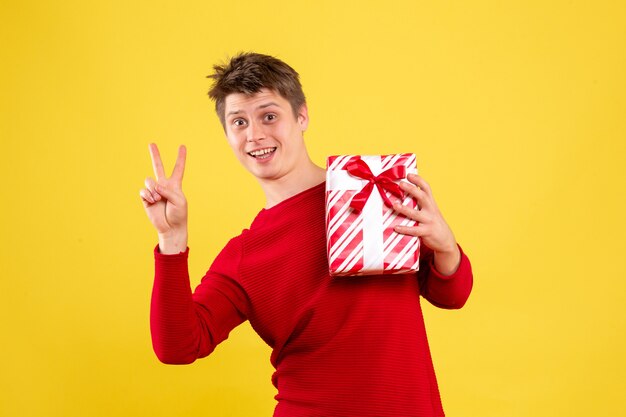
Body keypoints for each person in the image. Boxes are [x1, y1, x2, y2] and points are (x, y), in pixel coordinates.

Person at [139, 52, 473, 417]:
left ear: (302, 116)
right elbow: (177, 347)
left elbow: (451, 295)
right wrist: (171, 241)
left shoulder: (370, 190)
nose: (254, 135)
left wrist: (444, 245)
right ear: (227, 135)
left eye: (269, 116)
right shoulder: (245, 255)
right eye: (238, 122)